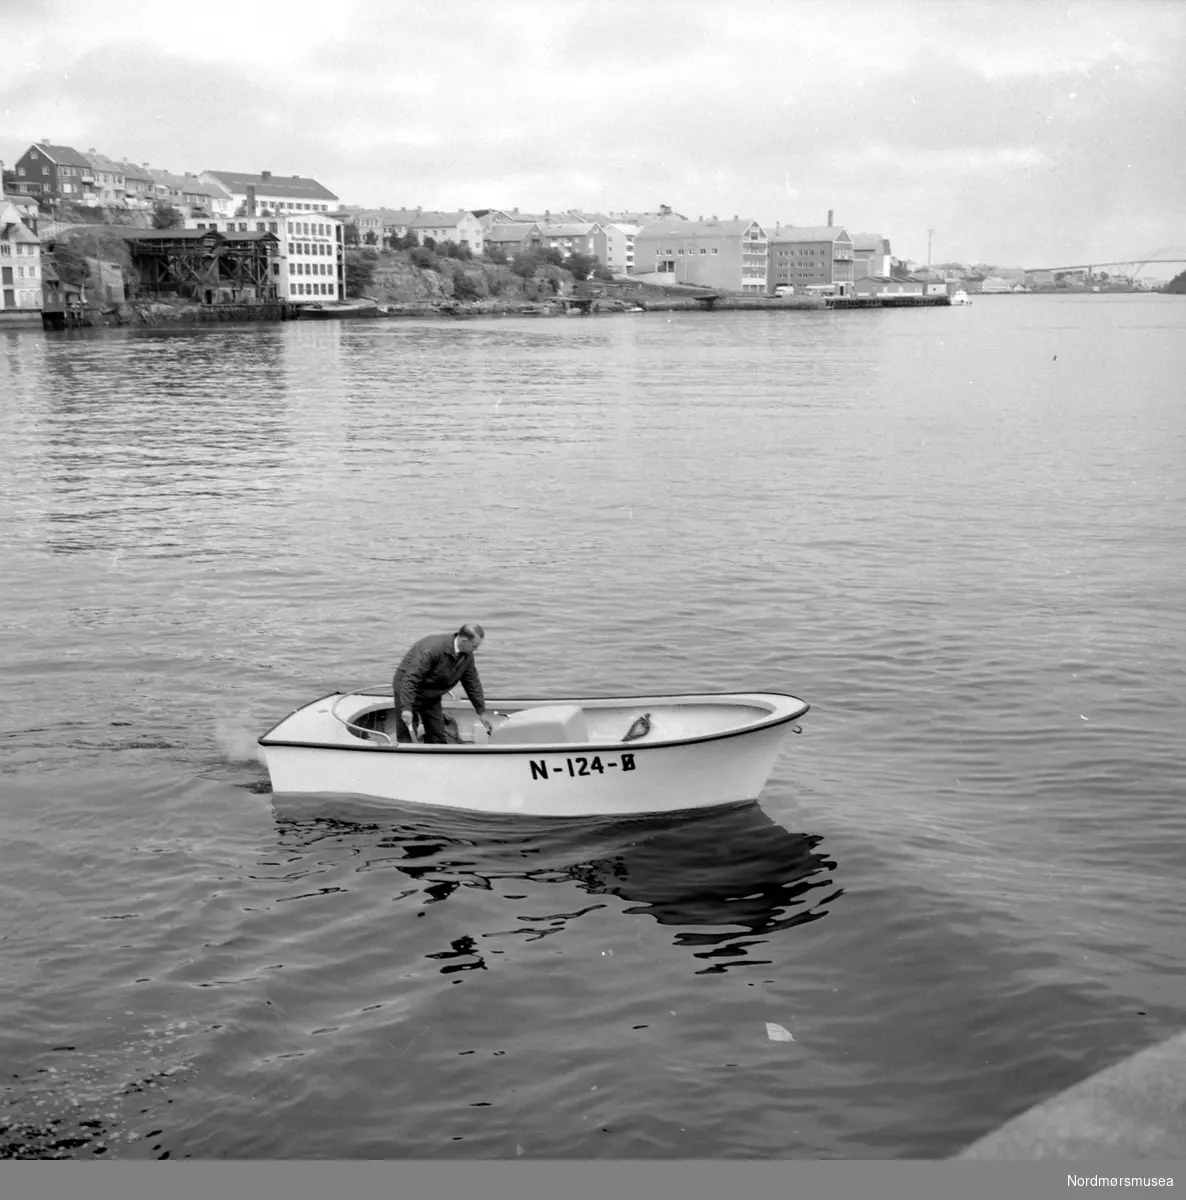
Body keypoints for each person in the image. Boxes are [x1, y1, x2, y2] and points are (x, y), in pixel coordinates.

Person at [392, 623, 493, 744]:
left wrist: (481, 711)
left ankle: (435, 756)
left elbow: (472, 683)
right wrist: (406, 708)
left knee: (437, 734)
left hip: (432, 693)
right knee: (406, 734)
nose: (476, 650)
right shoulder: (432, 649)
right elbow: (411, 678)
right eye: (474, 646)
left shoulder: (467, 656)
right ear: (464, 640)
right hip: (408, 688)